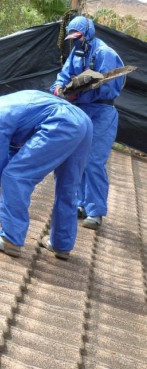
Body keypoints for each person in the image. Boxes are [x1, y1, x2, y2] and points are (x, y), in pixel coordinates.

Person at [0, 90, 93, 259]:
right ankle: (61, 244)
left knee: (14, 177)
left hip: (60, 123)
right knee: (68, 186)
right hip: (82, 120)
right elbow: (12, 153)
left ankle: (9, 238)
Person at [51, 16, 125, 230]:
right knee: (78, 158)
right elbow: (63, 75)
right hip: (81, 110)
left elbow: (108, 88)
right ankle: (81, 204)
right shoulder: (76, 51)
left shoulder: (105, 54)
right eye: (72, 38)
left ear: (88, 33)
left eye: (78, 37)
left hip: (101, 111)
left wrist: (82, 92)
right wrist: (59, 89)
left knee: (93, 161)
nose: (75, 41)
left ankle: (95, 211)